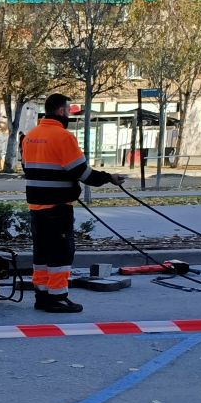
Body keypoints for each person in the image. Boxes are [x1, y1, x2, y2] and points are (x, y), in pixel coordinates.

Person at [21, 93, 126, 313]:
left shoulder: (30, 136)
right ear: (61, 111)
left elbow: (30, 168)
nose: (69, 113)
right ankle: (57, 297)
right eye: (68, 110)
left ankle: (42, 294)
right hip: (57, 207)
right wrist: (109, 178)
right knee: (60, 252)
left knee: (41, 252)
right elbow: (82, 172)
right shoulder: (63, 137)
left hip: (36, 207)